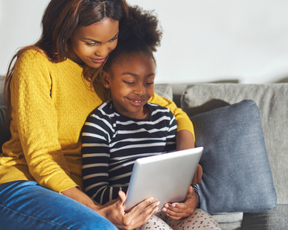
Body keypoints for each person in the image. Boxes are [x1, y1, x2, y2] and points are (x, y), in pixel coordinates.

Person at [0, 0, 197, 229]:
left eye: (112, 39)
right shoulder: (36, 64)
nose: (103, 52)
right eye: (91, 42)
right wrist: (97, 210)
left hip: (80, 195)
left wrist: (185, 168)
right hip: (25, 184)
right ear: (67, 30)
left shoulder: (106, 72)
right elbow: (42, 158)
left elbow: (174, 112)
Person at [81, 6, 221, 230]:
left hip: (168, 208)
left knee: (203, 222)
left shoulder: (165, 119)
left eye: (148, 82)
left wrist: (190, 197)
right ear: (107, 80)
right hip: (132, 214)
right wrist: (138, 194)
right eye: (130, 82)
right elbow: (95, 190)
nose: (141, 91)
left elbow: (178, 174)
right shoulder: (100, 124)